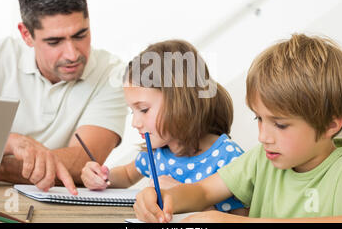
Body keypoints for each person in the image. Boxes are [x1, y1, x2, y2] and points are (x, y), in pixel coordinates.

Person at [133, 33, 342, 222]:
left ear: (331, 124)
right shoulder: (261, 159)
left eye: (280, 124)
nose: (263, 136)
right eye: (259, 119)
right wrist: (167, 199)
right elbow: (203, 190)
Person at [0, 0, 128, 195]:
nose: (72, 54)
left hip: (60, 204)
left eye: (80, 35)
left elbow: (81, 164)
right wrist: (15, 143)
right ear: (26, 34)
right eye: (54, 41)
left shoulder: (112, 73)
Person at [81, 39, 247, 214]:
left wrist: (184, 196)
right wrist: (103, 176)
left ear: (181, 102)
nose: (135, 123)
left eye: (143, 110)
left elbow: (242, 217)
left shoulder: (228, 158)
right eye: (132, 112)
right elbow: (127, 175)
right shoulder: (157, 153)